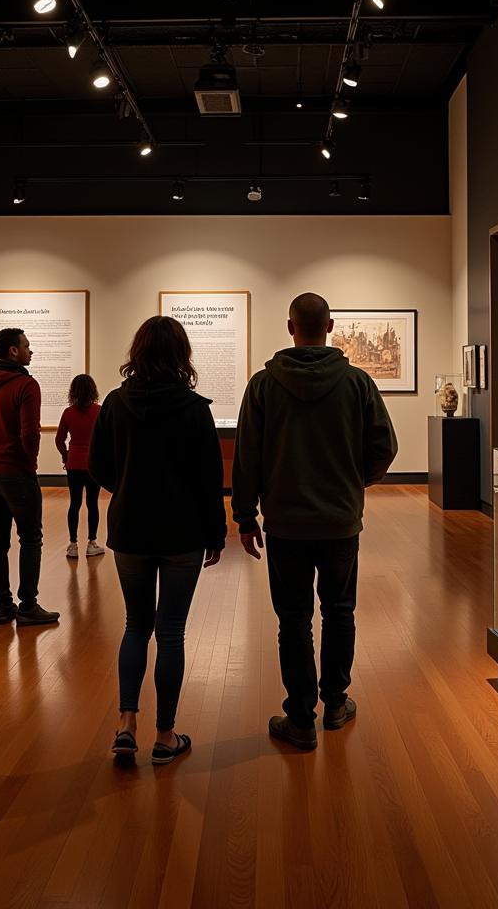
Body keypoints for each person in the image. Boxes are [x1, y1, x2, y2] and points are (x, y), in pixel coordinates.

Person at [232, 292, 398, 750]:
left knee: (293, 619)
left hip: (285, 524)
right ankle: (337, 703)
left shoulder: (263, 386)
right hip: (340, 522)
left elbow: (246, 457)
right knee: (340, 611)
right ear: (330, 326)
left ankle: (301, 717)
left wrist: (245, 517)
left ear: (290, 328)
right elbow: (384, 447)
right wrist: (352, 482)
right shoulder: (358, 383)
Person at [90, 316, 226, 765]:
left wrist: (128, 488)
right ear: (181, 355)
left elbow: (99, 467)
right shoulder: (193, 408)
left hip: (129, 529)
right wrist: (216, 532)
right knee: (170, 632)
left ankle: (126, 724)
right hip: (182, 531)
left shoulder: (114, 403)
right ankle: (165, 736)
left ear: (139, 352)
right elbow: (210, 479)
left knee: (135, 625)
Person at [0, 327, 59, 627]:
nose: (32, 351)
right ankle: (28, 605)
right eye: (27, 346)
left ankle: (4, 607)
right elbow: (29, 432)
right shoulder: (26, 385)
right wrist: (26, 463)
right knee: (30, 538)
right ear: (13, 351)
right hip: (17, 472)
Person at [56, 374, 103, 559]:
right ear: (93, 390)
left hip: (74, 463)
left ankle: (73, 544)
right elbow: (105, 438)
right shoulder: (99, 411)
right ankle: (92, 543)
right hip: (93, 464)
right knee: (93, 504)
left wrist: (66, 456)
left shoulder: (68, 413)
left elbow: (59, 440)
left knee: (74, 503)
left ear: (73, 391)